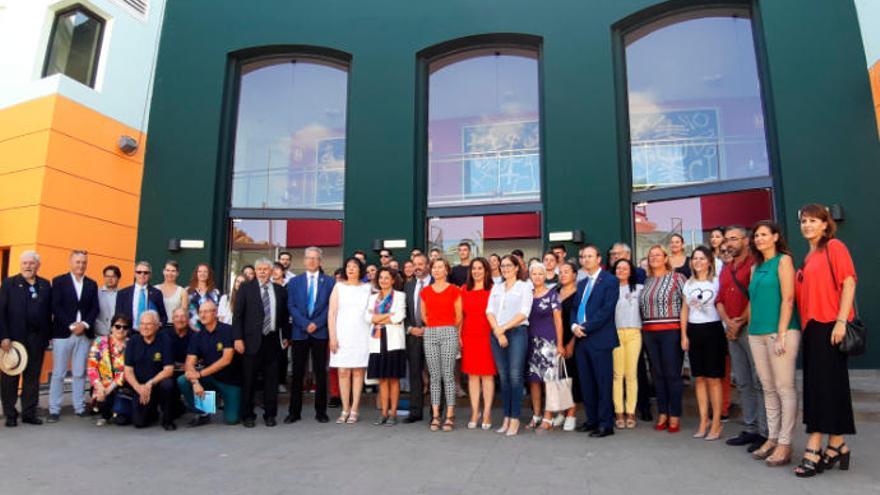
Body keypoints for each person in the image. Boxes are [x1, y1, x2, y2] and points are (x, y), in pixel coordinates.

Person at [793, 204, 857, 477]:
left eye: (813, 220)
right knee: (827, 388)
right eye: (804, 221)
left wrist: (841, 321)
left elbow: (849, 282)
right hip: (812, 329)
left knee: (822, 389)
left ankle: (814, 445)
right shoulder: (808, 257)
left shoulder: (834, 247)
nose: (807, 225)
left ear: (825, 224)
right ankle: (837, 444)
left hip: (831, 326)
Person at [745, 221, 800, 466]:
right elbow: (753, 302)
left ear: (776, 237)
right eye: (756, 235)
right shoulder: (755, 267)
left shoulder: (783, 261)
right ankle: (772, 437)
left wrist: (781, 334)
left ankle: (786, 443)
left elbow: (788, 298)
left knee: (784, 387)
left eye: (764, 234)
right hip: (755, 333)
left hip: (780, 332)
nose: (759, 238)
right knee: (767, 387)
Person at [717, 225, 768, 452]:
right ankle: (751, 428)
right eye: (727, 239)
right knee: (743, 381)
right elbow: (718, 299)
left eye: (734, 238)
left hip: (750, 328)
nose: (729, 243)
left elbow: (755, 297)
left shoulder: (754, 265)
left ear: (746, 241)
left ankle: (766, 432)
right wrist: (728, 322)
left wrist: (738, 322)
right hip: (731, 330)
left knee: (759, 382)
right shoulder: (727, 268)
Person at [233, 258, 291, 428]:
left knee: (271, 381)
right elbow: (238, 316)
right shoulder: (245, 288)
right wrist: (237, 338)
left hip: (272, 341)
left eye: (266, 269)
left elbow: (284, 317)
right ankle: (248, 415)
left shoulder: (280, 290)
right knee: (249, 380)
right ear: (255, 271)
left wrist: (286, 336)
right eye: (259, 269)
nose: (263, 272)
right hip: (251, 341)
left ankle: (270, 415)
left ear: (272, 271)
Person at [571, 245, 619, 438]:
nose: (586, 259)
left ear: (599, 259)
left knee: (602, 383)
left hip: (599, 339)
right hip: (582, 341)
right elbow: (575, 308)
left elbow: (606, 311)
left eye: (590, 256)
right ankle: (592, 420)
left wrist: (585, 327)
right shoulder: (581, 283)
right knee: (587, 383)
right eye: (583, 256)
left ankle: (606, 424)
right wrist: (574, 326)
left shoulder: (610, 280)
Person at [0, 251, 52, 426]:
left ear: (38, 265)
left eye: (31, 263)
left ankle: (29, 413)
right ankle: (10, 414)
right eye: (25, 263)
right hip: (13, 340)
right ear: (20, 265)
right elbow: (2, 312)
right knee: (10, 378)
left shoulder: (45, 285)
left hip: (37, 339)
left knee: (32, 377)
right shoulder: (9, 283)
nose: (28, 266)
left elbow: (48, 313)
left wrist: (47, 336)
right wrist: (4, 336)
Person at [639, 244, 686, 433]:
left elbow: (686, 305)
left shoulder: (678, 278)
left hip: (671, 331)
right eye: (651, 256)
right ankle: (663, 412)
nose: (654, 258)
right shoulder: (647, 280)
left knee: (672, 374)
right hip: (650, 332)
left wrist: (684, 333)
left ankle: (674, 415)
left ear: (666, 258)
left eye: (658, 255)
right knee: (657, 374)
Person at [48, 249, 99, 422]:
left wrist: (84, 325)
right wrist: (72, 325)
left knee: (79, 372)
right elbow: (56, 307)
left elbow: (94, 308)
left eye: (84, 262)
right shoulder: (59, 281)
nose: (81, 265)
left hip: (84, 334)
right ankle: (54, 409)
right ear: (71, 262)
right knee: (59, 373)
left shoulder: (92, 284)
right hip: (63, 333)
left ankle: (79, 406)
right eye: (78, 262)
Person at [286, 246, 335, 423]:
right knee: (297, 373)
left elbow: (331, 306)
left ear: (320, 261)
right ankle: (294, 412)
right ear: (304, 260)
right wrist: (306, 324)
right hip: (300, 332)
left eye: (315, 258)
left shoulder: (329, 282)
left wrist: (317, 323)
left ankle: (321, 411)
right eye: (309, 258)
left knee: (321, 373)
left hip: (320, 333)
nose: (312, 261)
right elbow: (291, 306)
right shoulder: (294, 282)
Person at [682, 246, 726, 441]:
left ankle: (717, 422)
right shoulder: (688, 284)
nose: (698, 261)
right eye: (694, 258)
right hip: (694, 330)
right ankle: (703, 420)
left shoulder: (717, 281)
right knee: (699, 378)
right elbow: (684, 310)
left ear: (709, 261)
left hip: (714, 330)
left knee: (714, 379)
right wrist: (684, 335)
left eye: (702, 258)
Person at [486, 255, 532, 436]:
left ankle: (515, 418)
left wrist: (502, 329)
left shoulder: (525, 286)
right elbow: (489, 311)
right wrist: (498, 331)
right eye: (502, 266)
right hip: (497, 334)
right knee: (503, 378)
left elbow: (524, 312)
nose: (505, 268)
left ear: (516, 268)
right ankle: (506, 416)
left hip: (517, 333)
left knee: (515, 376)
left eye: (508, 265)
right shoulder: (496, 288)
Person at [178, 300, 242, 426]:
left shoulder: (227, 330)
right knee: (183, 380)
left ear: (215, 313)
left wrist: (200, 374)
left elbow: (226, 360)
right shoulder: (198, 336)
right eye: (200, 312)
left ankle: (228, 401)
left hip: (231, 381)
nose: (202, 315)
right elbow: (189, 363)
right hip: (210, 378)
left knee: (232, 420)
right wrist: (196, 382)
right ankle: (204, 412)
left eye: (206, 311)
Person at [420, 258, 462, 432]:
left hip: (449, 332)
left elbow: (459, 316)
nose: (437, 270)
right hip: (430, 332)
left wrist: (447, 326)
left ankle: (450, 414)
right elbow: (424, 315)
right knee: (434, 376)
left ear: (446, 270)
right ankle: (436, 415)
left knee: (448, 375)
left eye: (440, 267)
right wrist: (434, 325)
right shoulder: (425, 291)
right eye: (434, 267)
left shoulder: (454, 290)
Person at [328, 257, 372, 424]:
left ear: (360, 270)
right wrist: (333, 337)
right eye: (348, 266)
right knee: (343, 372)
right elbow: (331, 313)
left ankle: (355, 409)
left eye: (354, 266)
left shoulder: (368, 288)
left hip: (362, 334)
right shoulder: (338, 287)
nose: (351, 269)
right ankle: (345, 408)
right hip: (342, 335)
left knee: (358, 372)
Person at [366, 267, 407, 426]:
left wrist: (377, 318)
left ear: (393, 280)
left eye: (386, 278)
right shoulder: (373, 297)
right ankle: (383, 413)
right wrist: (386, 316)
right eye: (381, 277)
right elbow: (367, 317)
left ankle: (393, 414)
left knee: (393, 379)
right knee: (382, 379)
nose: (383, 280)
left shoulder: (399, 296)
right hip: (377, 342)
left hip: (394, 343)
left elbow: (399, 317)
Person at [525, 262, 563, 432]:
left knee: (549, 381)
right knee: (534, 381)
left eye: (541, 274)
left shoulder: (552, 294)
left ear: (545, 275)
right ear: (530, 276)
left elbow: (558, 320)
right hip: (530, 342)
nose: (538, 277)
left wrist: (560, 344)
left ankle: (548, 416)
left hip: (548, 343)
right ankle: (537, 415)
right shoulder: (527, 294)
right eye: (534, 274)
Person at [124, 310, 177, 430]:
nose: (144, 327)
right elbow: (128, 371)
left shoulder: (165, 340)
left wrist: (150, 383)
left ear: (157, 325)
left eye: (148, 324)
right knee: (139, 423)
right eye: (142, 324)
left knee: (167, 385)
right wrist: (139, 387)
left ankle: (168, 420)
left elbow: (169, 370)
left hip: (157, 383)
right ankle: (152, 411)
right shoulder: (133, 341)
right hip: (140, 386)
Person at [460, 258, 495, 430]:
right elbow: (460, 316)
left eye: (480, 268)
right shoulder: (464, 289)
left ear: (486, 270)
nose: (476, 271)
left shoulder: (494, 289)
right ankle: (475, 411)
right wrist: (459, 334)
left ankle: (487, 412)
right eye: (474, 268)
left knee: (487, 375)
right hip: (469, 335)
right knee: (473, 376)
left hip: (487, 335)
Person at [612, 259, 642, 430]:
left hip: (634, 332)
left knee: (631, 374)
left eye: (625, 268)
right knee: (617, 375)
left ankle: (630, 411)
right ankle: (619, 412)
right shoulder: (610, 289)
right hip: (616, 333)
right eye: (618, 268)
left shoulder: (639, 288)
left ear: (631, 271)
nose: (621, 270)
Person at [403, 253, 432, 423]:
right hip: (413, 336)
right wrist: (410, 328)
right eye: (415, 264)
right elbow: (404, 312)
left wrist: (429, 328)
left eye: (421, 264)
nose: (418, 267)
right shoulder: (408, 286)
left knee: (436, 375)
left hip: (433, 334)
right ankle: (415, 412)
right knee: (414, 373)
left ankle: (436, 412)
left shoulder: (437, 284)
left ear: (428, 265)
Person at [87, 314, 130, 426]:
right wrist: (99, 386)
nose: (121, 329)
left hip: (120, 386)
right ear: (111, 327)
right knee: (104, 403)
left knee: (121, 420)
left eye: (125, 327)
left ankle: (114, 410)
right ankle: (104, 409)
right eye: (118, 326)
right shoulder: (100, 341)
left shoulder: (131, 345)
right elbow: (92, 367)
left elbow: (126, 371)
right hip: (101, 385)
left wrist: (110, 388)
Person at [116, 261, 167, 331]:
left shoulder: (157, 293)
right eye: (139, 272)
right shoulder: (123, 293)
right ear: (134, 274)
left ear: (150, 275)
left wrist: (159, 325)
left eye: (146, 272)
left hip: (150, 333)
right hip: (128, 333)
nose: (142, 274)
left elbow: (163, 316)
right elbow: (117, 316)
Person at [187, 263, 220, 329]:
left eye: (205, 272)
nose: (202, 274)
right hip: (192, 327)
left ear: (209, 275)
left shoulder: (215, 292)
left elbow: (217, 311)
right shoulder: (188, 291)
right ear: (196, 274)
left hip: (210, 328)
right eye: (200, 271)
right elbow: (185, 310)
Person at [96, 265, 121, 336]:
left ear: (118, 278)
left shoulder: (123, 294)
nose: (110, 279)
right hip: (98, 335)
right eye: (107, 276)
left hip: (118, 335)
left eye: (113, 276)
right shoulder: (96, 293)